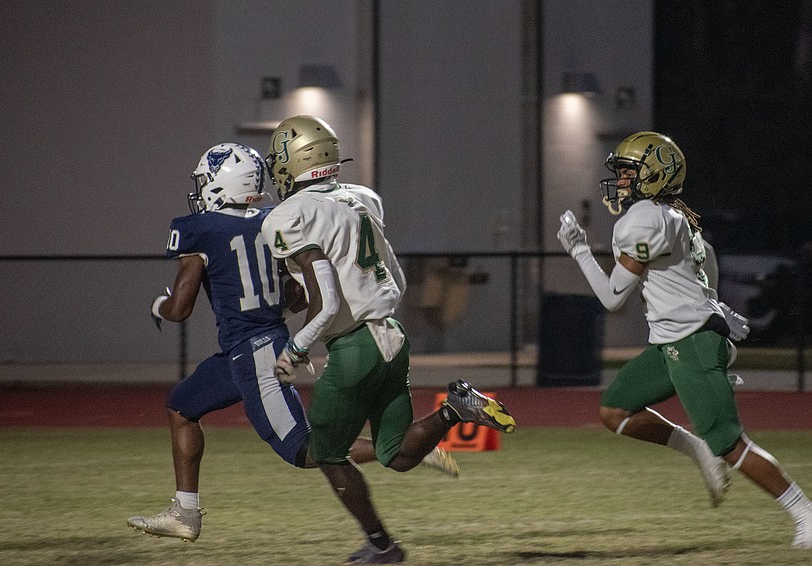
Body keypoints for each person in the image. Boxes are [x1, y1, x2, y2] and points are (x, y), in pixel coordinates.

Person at [127, 143, 460, 544]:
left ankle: (409, 447)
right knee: (182, 405)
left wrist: (157, 305)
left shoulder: (200, 229)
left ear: (220, 183)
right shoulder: (272, 219)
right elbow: (299, 294)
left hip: (255, 352)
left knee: (304, 451)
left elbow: (180, 308)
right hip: (243, 349)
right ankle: (185, 511)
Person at [261, 115, 516, 564]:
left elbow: (324, 296)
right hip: (392, 336)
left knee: (327, 452)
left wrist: (295, 350)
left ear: (292, 161)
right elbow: (391, 270)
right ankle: (455, 409)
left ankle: (384, 546)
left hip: (354, 345)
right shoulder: (361, 198)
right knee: (395, 453)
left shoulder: (289, 215)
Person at [556, 130, 812, 548]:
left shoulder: (643, 220)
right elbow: (704, 266)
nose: (620, 181)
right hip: (675, 340)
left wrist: (580, 250)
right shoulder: (677, 217)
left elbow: (613, 298)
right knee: (614, 410)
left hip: (690, 342)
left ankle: (805, 512)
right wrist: (715, 308)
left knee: (730, 443)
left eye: (627, 172)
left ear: (652, 175)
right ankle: (697, 448)